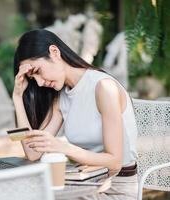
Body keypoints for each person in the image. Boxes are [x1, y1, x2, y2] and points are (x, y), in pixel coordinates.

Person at [12, 29, 138, 200]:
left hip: (115, 189)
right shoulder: (62, 96)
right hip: (83, 185)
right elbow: (33, 153)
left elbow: (114, 162)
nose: (40, 83)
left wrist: (64, 148)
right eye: (33, 79)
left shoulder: (103, 87)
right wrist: (17, 98)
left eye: (38, 72)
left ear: (54, 52)